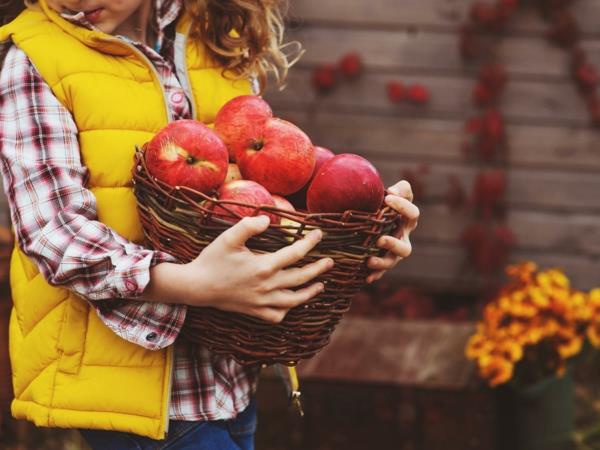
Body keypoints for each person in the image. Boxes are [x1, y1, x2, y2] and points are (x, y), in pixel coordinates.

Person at [0, 0, 420, 448]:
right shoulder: (34, 57)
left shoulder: (214, 34)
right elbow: (54, 234)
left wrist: (357, 227)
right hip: (127, 392)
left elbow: (262, 185)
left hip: (229, 380)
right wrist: (194, 283)